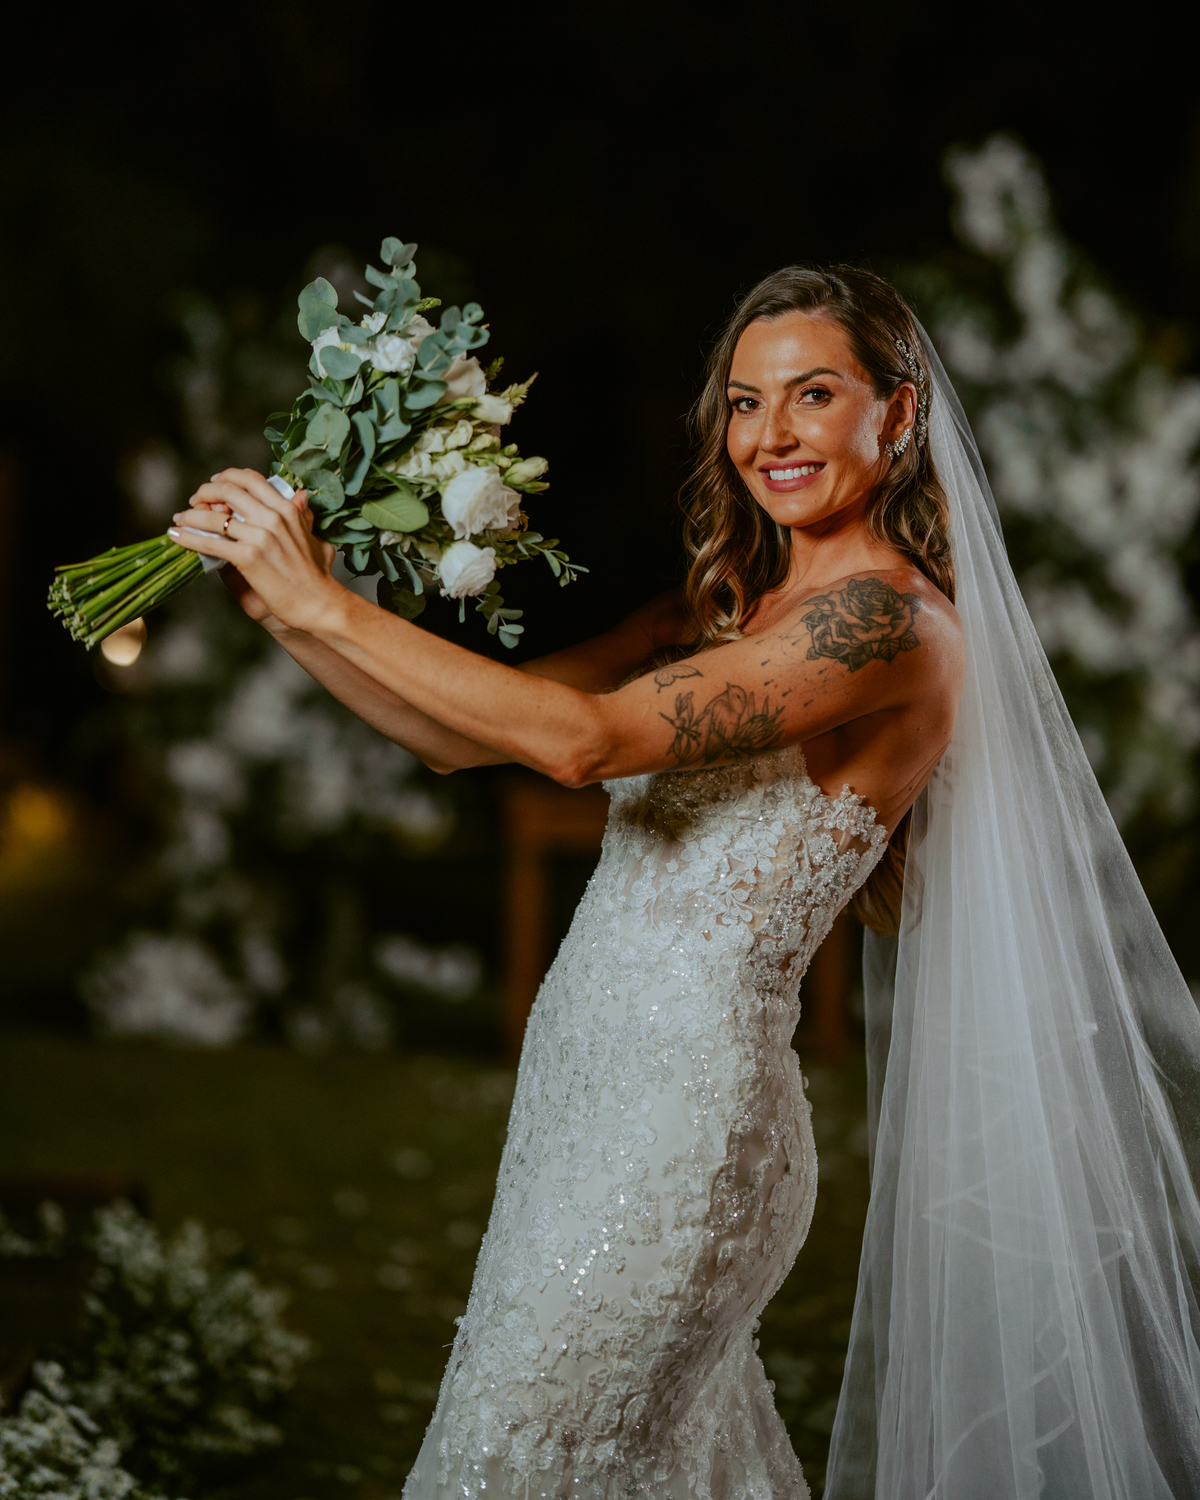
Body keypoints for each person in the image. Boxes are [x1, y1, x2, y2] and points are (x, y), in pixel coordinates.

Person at [169, 266, 1200, 1499]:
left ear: (901, 412)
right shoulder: (727, 608)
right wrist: (285, 611)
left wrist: (328, 602)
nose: (770, 436)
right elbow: (459, 735)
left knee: (515, 1458)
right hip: (584, 1086)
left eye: (813, 396)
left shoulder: (887, 631)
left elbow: (579, 742)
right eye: (747, 402)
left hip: (684, 1135)